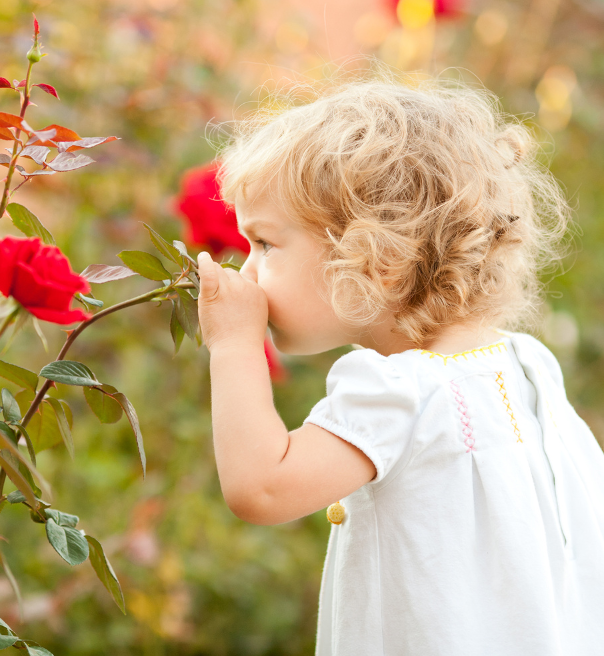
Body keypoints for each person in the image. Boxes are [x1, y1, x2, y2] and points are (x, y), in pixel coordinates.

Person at [195, 77, 604, 655]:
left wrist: (233, 344)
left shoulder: (402, 392)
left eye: (265, 244)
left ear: (376, 256)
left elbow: (262, 488)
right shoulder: (526, 365)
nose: (248, 272)